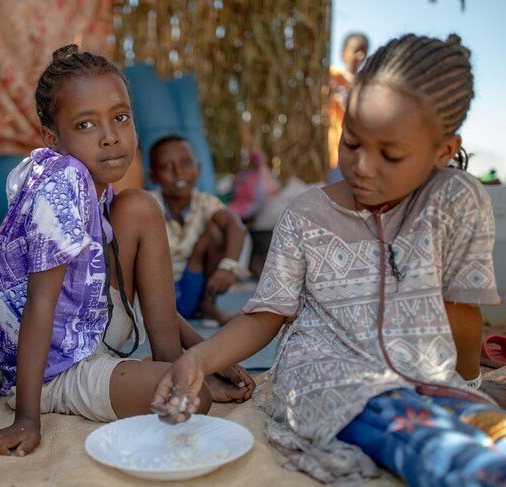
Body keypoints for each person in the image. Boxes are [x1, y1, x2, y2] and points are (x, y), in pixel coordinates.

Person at [151, 34, 506, 486]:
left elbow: (461, 312)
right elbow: (266, 316)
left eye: (390, 155)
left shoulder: (455, 201)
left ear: (443, 151)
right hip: (327, 378)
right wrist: (197, 361)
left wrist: (467, 389)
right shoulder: (307, 213)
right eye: (352, 143)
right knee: (412, 431)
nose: (362, 167)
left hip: (423, 375)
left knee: (481, 422)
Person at [0, 45, 255, 457]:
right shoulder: (61, 183)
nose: (110, 136)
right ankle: (168, 373)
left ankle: (172, 360)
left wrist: (204, 357)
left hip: (90, 332)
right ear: (53, 139)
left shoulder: (100, 190)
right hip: (55, 369)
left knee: (140, 205)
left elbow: (144, 290)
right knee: (194, 400)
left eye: (120, 118)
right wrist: (26, 418)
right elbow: (40, 306)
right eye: (86, 124)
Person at [148, 135, 248, 325]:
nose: (178, 172)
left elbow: (236, 225)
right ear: (153, 176)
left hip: (193, 291)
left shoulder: (204, 202)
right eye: (167, 166)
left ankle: (208, 307)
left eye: (185, 163)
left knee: (216, 231)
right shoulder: (147, 205)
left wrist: (229, 266)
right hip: (154, 300)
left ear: (198, 168)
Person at [328, 32, 370, 174]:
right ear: (344, 52)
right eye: (356, 50)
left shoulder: (365, 85)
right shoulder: (333, 76)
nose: (360, 56)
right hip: (333, 143)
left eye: (364, 51)